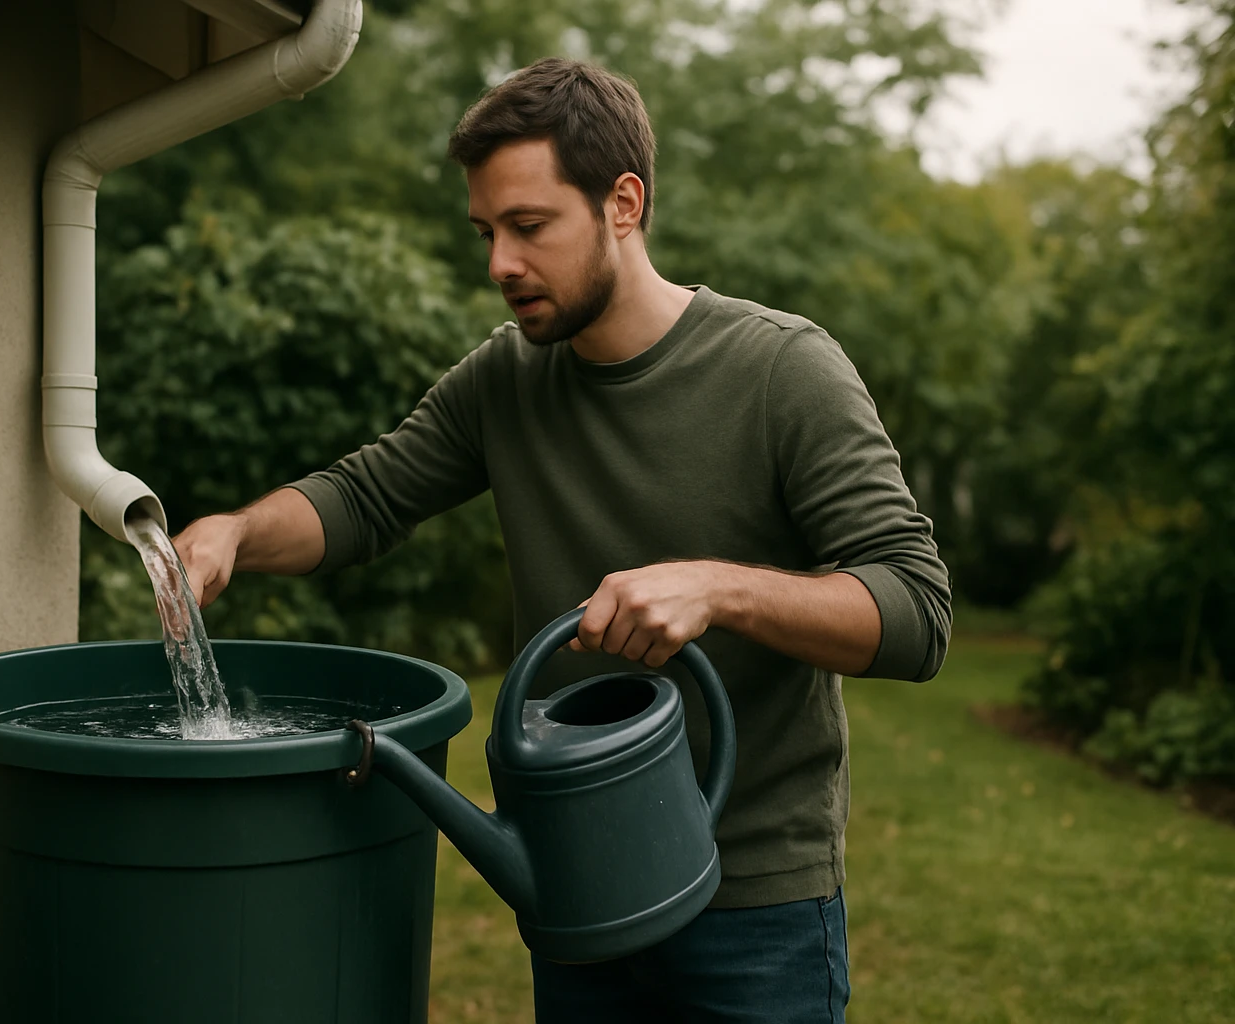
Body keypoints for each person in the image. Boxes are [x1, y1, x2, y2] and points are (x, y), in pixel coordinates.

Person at [174, 56, 950, 1024]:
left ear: (623, 203)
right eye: (487, 231)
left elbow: (915, 612)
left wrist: (720, 587)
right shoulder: (506, 380)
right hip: (577, 883)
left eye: (529, 227)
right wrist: (236, 533)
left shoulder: (781, 370)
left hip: (753, 897)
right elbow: (363, 497)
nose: (499, 262)